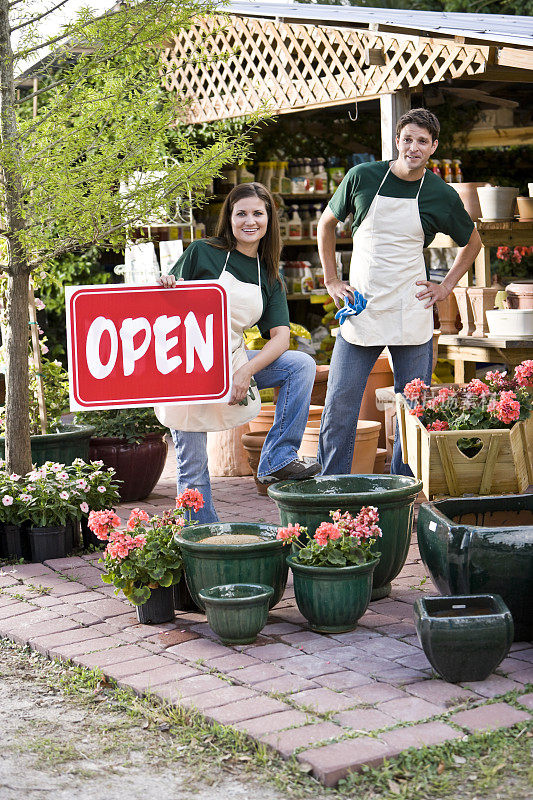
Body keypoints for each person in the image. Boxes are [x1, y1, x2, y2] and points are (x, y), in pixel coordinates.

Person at [317, 108, 482, 476]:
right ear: (397, 141)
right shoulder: (363, 177)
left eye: (422, 141)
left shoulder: (439, 192)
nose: (413, 147)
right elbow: (326, 224)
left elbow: (472, 242)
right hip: (362, 308)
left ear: (433, 146)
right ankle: (330, 486)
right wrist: (331, 280)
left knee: (411, 410)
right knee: (340, 405)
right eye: (407, 139)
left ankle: (401, 490)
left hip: (411, 308)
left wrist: (447, 286)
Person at [159, 182, 320, 522]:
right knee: (193, 464)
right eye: (241, 213)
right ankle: (201, 542)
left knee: (300, 365)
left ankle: (277, 456)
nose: (250, 220)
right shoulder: (203, 252)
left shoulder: (269, 274)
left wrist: (246, 370)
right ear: (229, 218)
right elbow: (163, 302)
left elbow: (280, 338)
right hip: (187, 364)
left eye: (257, 213)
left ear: (269, 219)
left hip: (233, 361)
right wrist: (166, 284)